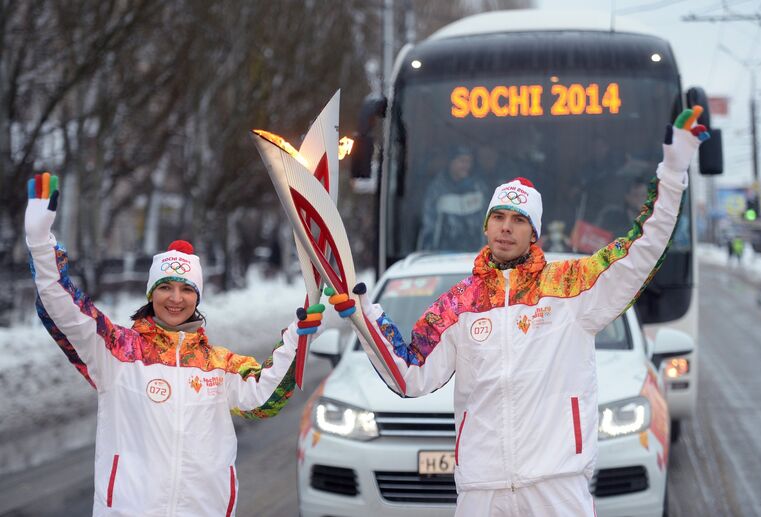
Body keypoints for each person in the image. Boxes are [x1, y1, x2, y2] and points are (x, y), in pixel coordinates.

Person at [332, 108, 709, 516]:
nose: (506, 228)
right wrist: (363, 315)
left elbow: (642, 250)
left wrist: (673, 172)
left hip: (556, 484)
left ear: (534, 232)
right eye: (498, 217)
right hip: (482, 489)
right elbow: (410, 376)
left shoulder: (571, 287)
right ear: (486, 226)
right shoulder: (459, 304)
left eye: (518, 220)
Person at [24, 172, 325, 516]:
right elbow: (64, 310)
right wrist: (40, 243)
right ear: (152, 293)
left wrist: (301, 335)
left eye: (186, 289)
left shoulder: (217, 364)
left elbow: (264, 398)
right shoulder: (118, 351)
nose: (176, 299)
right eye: (166, 287)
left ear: (197, 297)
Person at [418, 146, 489, 252]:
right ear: (451, 163)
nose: (466, 166)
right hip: (443, 253)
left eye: (469, 162)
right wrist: (427, 250)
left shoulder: (478, 188)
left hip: (474, 252)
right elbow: (429, 224)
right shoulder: (437, 188)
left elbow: (488, 221)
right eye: (462, 161)